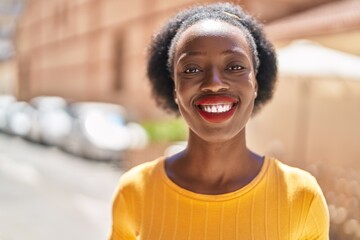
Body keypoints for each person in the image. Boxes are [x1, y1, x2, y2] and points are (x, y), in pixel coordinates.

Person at [109, 2, 329, 239]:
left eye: (235, 66)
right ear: (174, 89)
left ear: (255, 84)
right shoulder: (134, 191)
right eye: (192, 69)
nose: (214, 83)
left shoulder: (301, 197)